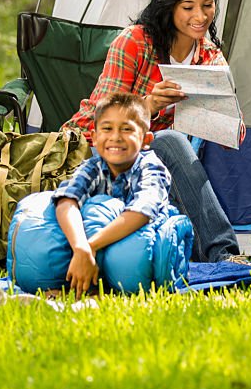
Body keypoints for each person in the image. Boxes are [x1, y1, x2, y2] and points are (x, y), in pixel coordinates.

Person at [61, 0, 241, 262]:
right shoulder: (135, 41)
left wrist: (229, 123)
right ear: (169, 6)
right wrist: (148, 104)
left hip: (151, 155)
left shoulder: (209, 55)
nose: (200, 16)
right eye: (188, 7)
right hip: (100, 146)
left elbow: (228, 130)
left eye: (207, 5)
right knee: (170, 141)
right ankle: (222, 253)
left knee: (171, 144)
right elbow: (103, 119)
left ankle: (216, 256)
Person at [55, 92, 177, 298]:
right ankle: (73, 289)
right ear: (94, 137)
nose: (115, 137)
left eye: (127, 129)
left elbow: (142, 211)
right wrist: (80, 247)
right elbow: (67, 199)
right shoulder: (93, 166)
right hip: (91, 250)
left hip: (136, 248)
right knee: (60, 224)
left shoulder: (151, 168)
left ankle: (95, 289)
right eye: (107, 128)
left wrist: (89, 246)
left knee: (100, 210)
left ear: (146, 139)